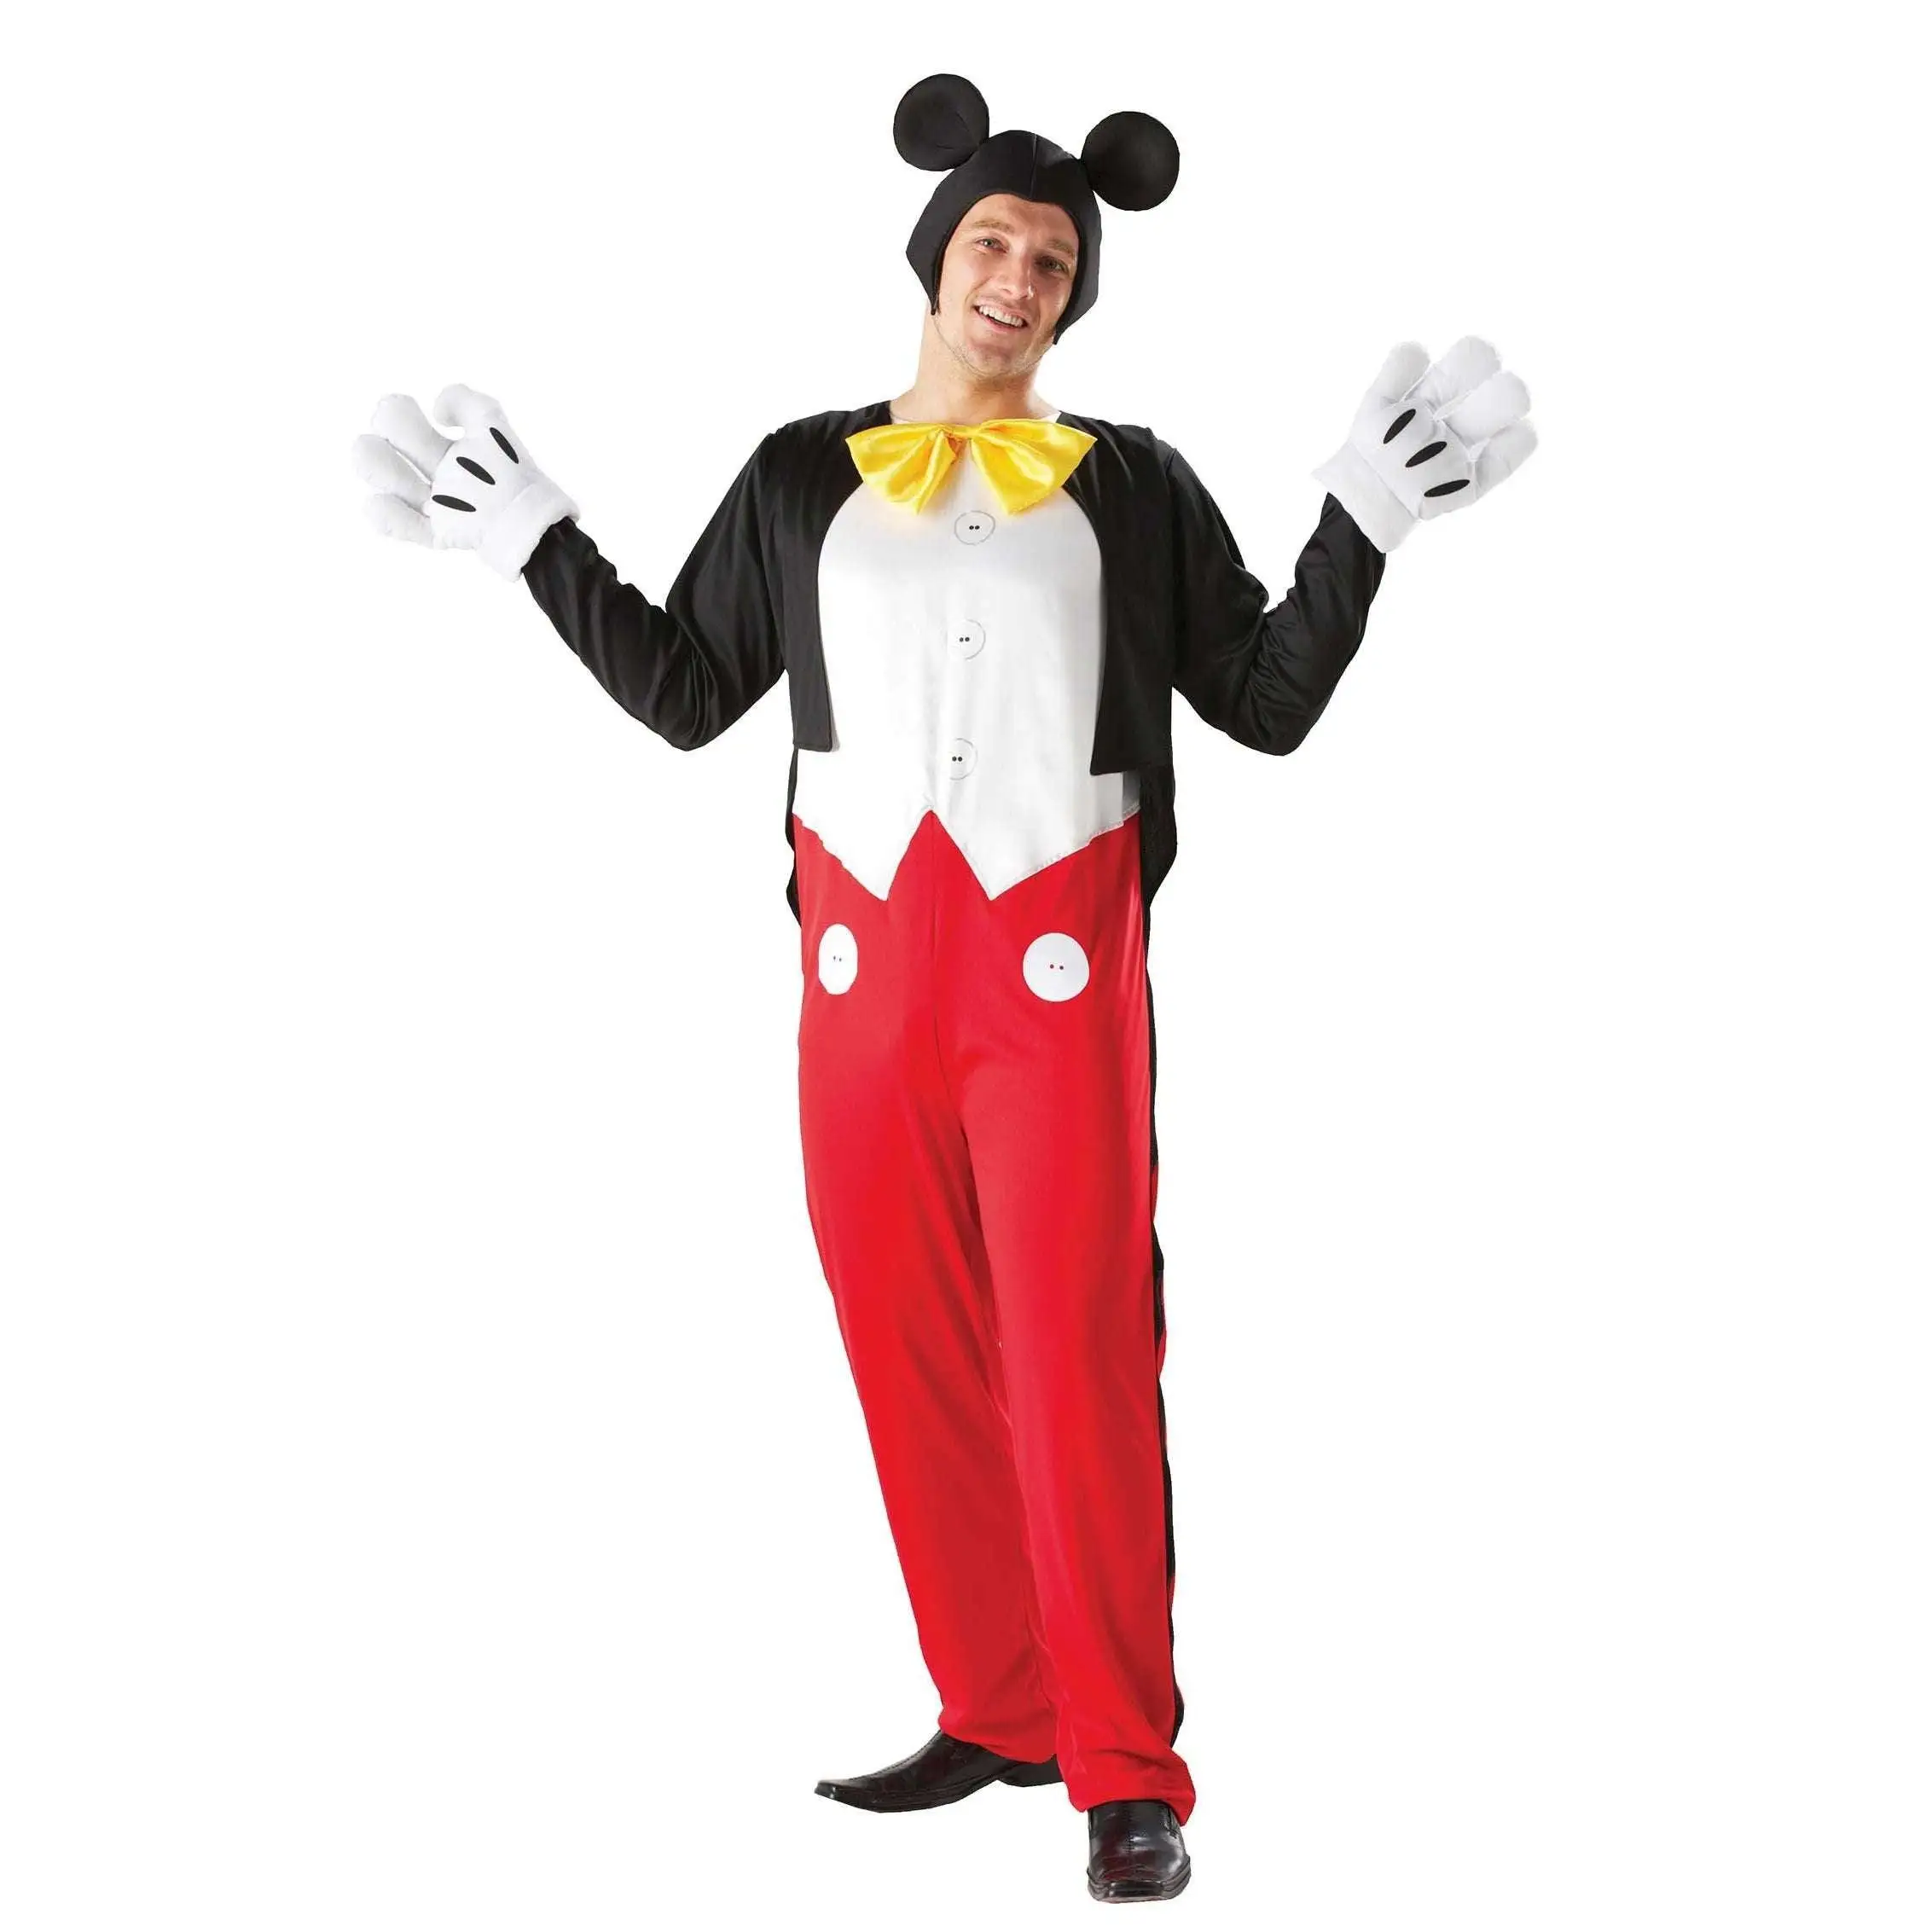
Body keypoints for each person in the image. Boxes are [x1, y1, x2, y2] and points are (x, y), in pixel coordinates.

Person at [351, 71, 1536, 1906]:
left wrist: (1362, 522)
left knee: (1079, 1361)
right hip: (855, 967)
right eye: (993, 240)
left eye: (1052, 260)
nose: (1018, 279)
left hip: (1053, 967)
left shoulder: (1130, 481)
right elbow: (685, 692)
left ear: (1075, 298)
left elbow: (1264, 702)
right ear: (933, 254)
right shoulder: (797, 472)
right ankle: (1000, 1703)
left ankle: (1127, 1772)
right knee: (902, 1343)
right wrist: (537, 545)